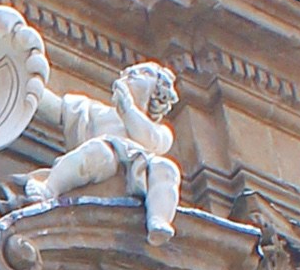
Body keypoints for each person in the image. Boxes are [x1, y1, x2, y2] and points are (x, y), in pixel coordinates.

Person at [22, 62, 182, 246]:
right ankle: (49, 188)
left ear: (158, 92)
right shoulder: (95, 111)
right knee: (100, 151)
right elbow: (56, 109)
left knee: (167, 169)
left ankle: (158, 218)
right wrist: (29, 84)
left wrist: (128, 109)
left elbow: (151, 140)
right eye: (130, 71)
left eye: (145, 73)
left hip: (139, 172)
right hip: (104, 158)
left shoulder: (160, 130)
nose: (133, 74)